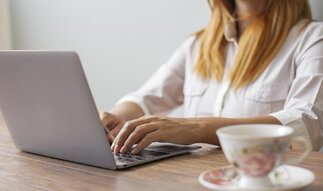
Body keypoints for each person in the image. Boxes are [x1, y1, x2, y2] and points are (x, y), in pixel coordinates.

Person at [101, 0, 323, 155]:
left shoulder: (313, 38)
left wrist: (197, 129)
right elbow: (147, 99)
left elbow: (306, 123)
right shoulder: (197, 45)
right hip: (195, 187)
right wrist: (117, 117)